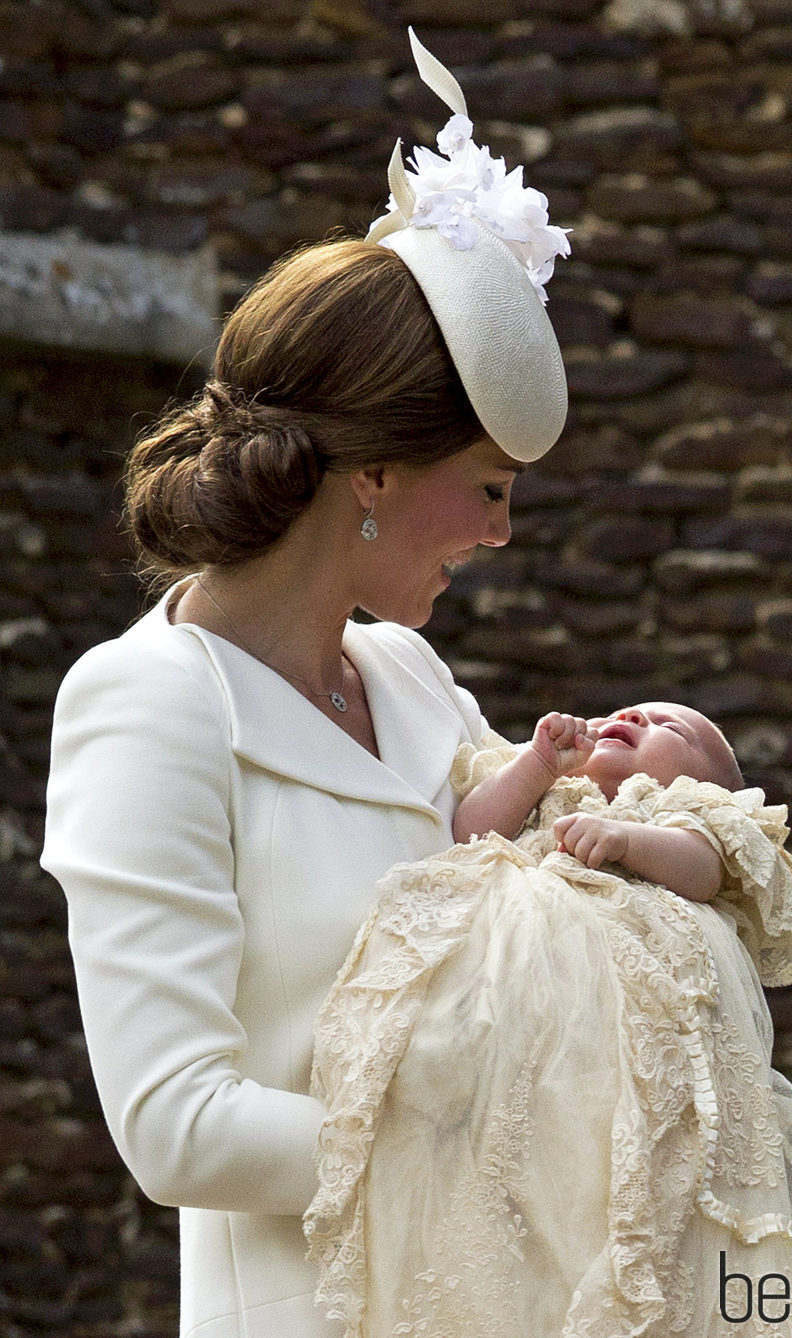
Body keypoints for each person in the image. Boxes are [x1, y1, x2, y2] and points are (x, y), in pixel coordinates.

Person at [40, 32, 570, 1338]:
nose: (501, 533)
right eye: (488, 488)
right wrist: (461, 1117)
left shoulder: (405, 670)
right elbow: (176, 1125)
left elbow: (542, 871)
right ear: (374, 475)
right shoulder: (150, 702)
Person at [304, 705, 792, 1336]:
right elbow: (466, 829)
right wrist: (536, 765)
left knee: (634, 1155)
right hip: (516, 1009)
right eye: (623, 711)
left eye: (672, 729)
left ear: (708, 781)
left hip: (622, 1017)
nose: (631, 714)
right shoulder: (545, 790)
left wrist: (628, 840)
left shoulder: (680, 814)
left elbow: (701, 867)